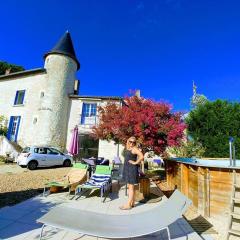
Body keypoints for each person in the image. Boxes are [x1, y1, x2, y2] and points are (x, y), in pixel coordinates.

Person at [120, 136, 144, 210]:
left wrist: (135, 162)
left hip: (132, 169)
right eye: (130, 141)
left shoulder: (134, 149)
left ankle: (128, 205)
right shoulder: (127, 148)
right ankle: (132, 203)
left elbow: (142, 156)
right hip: (127, 168)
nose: (132, 143)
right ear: (128, 141)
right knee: (131, 187)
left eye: (134, 142)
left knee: (131, 187)